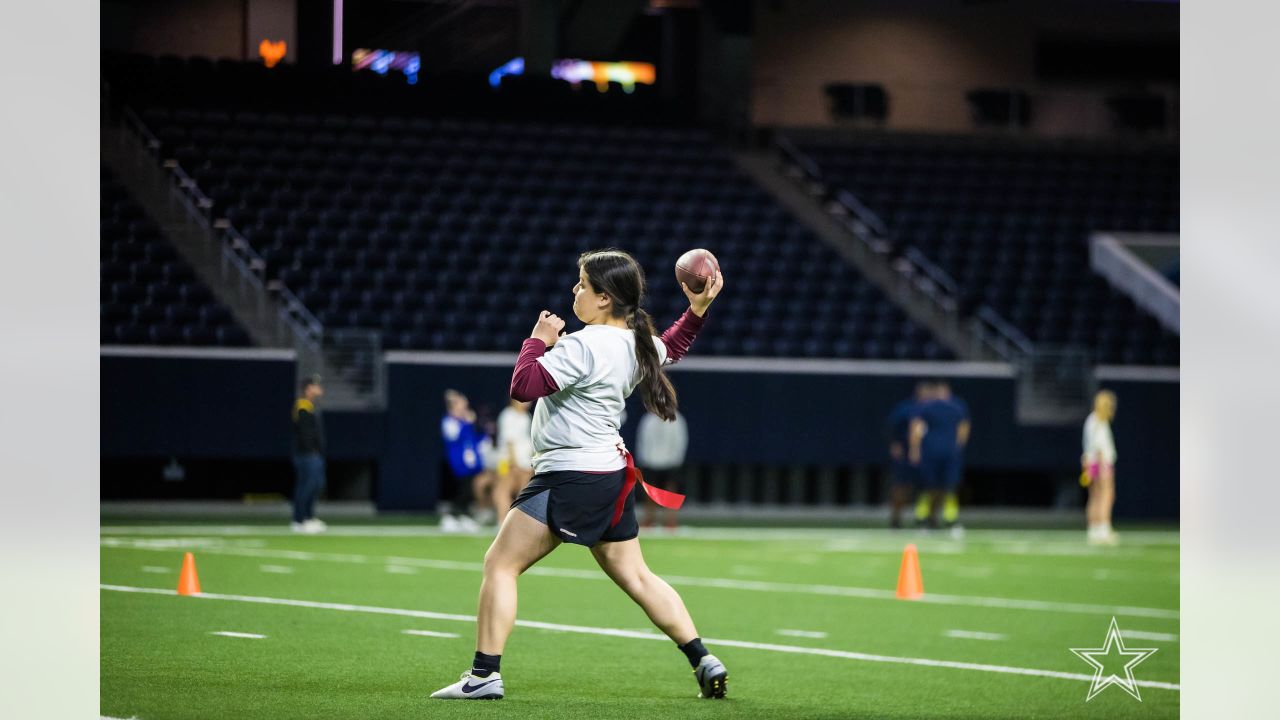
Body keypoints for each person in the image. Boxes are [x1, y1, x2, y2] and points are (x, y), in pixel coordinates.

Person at [431, 249, 727, 701]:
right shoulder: (636, 341)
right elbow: (675, 344)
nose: (575, 291)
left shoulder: (583, 344)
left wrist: (538, 339)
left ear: (604, 297)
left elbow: (522, 387)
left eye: (582, 285)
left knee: (500, 564)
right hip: (609, 474)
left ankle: (483, 675)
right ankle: (702, 657)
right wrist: (698, 309)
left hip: (570, 474)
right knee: (638, 576)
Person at [908, 380, 970, 532]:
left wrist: (958, 446)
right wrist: (915, 448)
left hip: (946, 453)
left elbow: (964, 427)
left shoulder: (956, 407)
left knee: (949, 486)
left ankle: (950, 519)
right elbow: (916, 427)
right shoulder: (927, 407)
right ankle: (922, 518)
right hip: (932, 452)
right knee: (928, 486)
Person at [887, 382, 932, 529]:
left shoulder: (934, 408)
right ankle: (896, 519)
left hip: (928, 454)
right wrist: (895, 443)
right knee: (902, 486)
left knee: (927, 487)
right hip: (906, 454)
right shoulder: (906, 408)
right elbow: (893, 426)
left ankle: (925, 519)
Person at [440, 389, 487, 532]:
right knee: (463, 490)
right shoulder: (449, 421)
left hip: (470, 463)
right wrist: (467, 423)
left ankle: (463, 516)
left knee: (468, 490)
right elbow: (454, 436)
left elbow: (475, 439)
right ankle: (451, 517)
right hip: (459, 463)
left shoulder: (465, 422)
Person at [636, 409, 689, 531]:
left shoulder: (677, 419)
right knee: (649, 493)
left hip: (671, 463)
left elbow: (680, 440)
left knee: (671, 492)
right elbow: (643, 441)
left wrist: (677, 461)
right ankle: (649, 519)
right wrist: (644, 461)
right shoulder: (648, 419)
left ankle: (670, 521)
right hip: (651, 462)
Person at [1081, 390, 1119, 545]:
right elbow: (1099, 446)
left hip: (1091, 462)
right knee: (1107, 495)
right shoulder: (1099, 421)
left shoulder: (1091, 420)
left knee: (1095, 496)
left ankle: (1094, 529)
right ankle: (1104, 529)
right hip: (1101, 462)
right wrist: (1103, 465)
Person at [291, 375, 327, 534]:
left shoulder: (310, 406)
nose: (319, 388)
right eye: (315, 385)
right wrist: (311, 451)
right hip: (306, 454)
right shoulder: (302, 406)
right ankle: (300, 519)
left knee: (316, 484)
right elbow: (305, 434)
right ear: (308, 389)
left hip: (312, 454)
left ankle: (309, 517)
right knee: (307, 486)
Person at [493, 399, 534, 523]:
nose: (528, 403)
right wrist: (514, 462)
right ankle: (504, 522)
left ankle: (514, 523)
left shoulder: (526, 416)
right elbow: (509, 441)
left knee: (522, 493)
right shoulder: (508, 415)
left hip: (525, 463)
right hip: (509, 462)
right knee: (502, 492)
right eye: (525, 401)